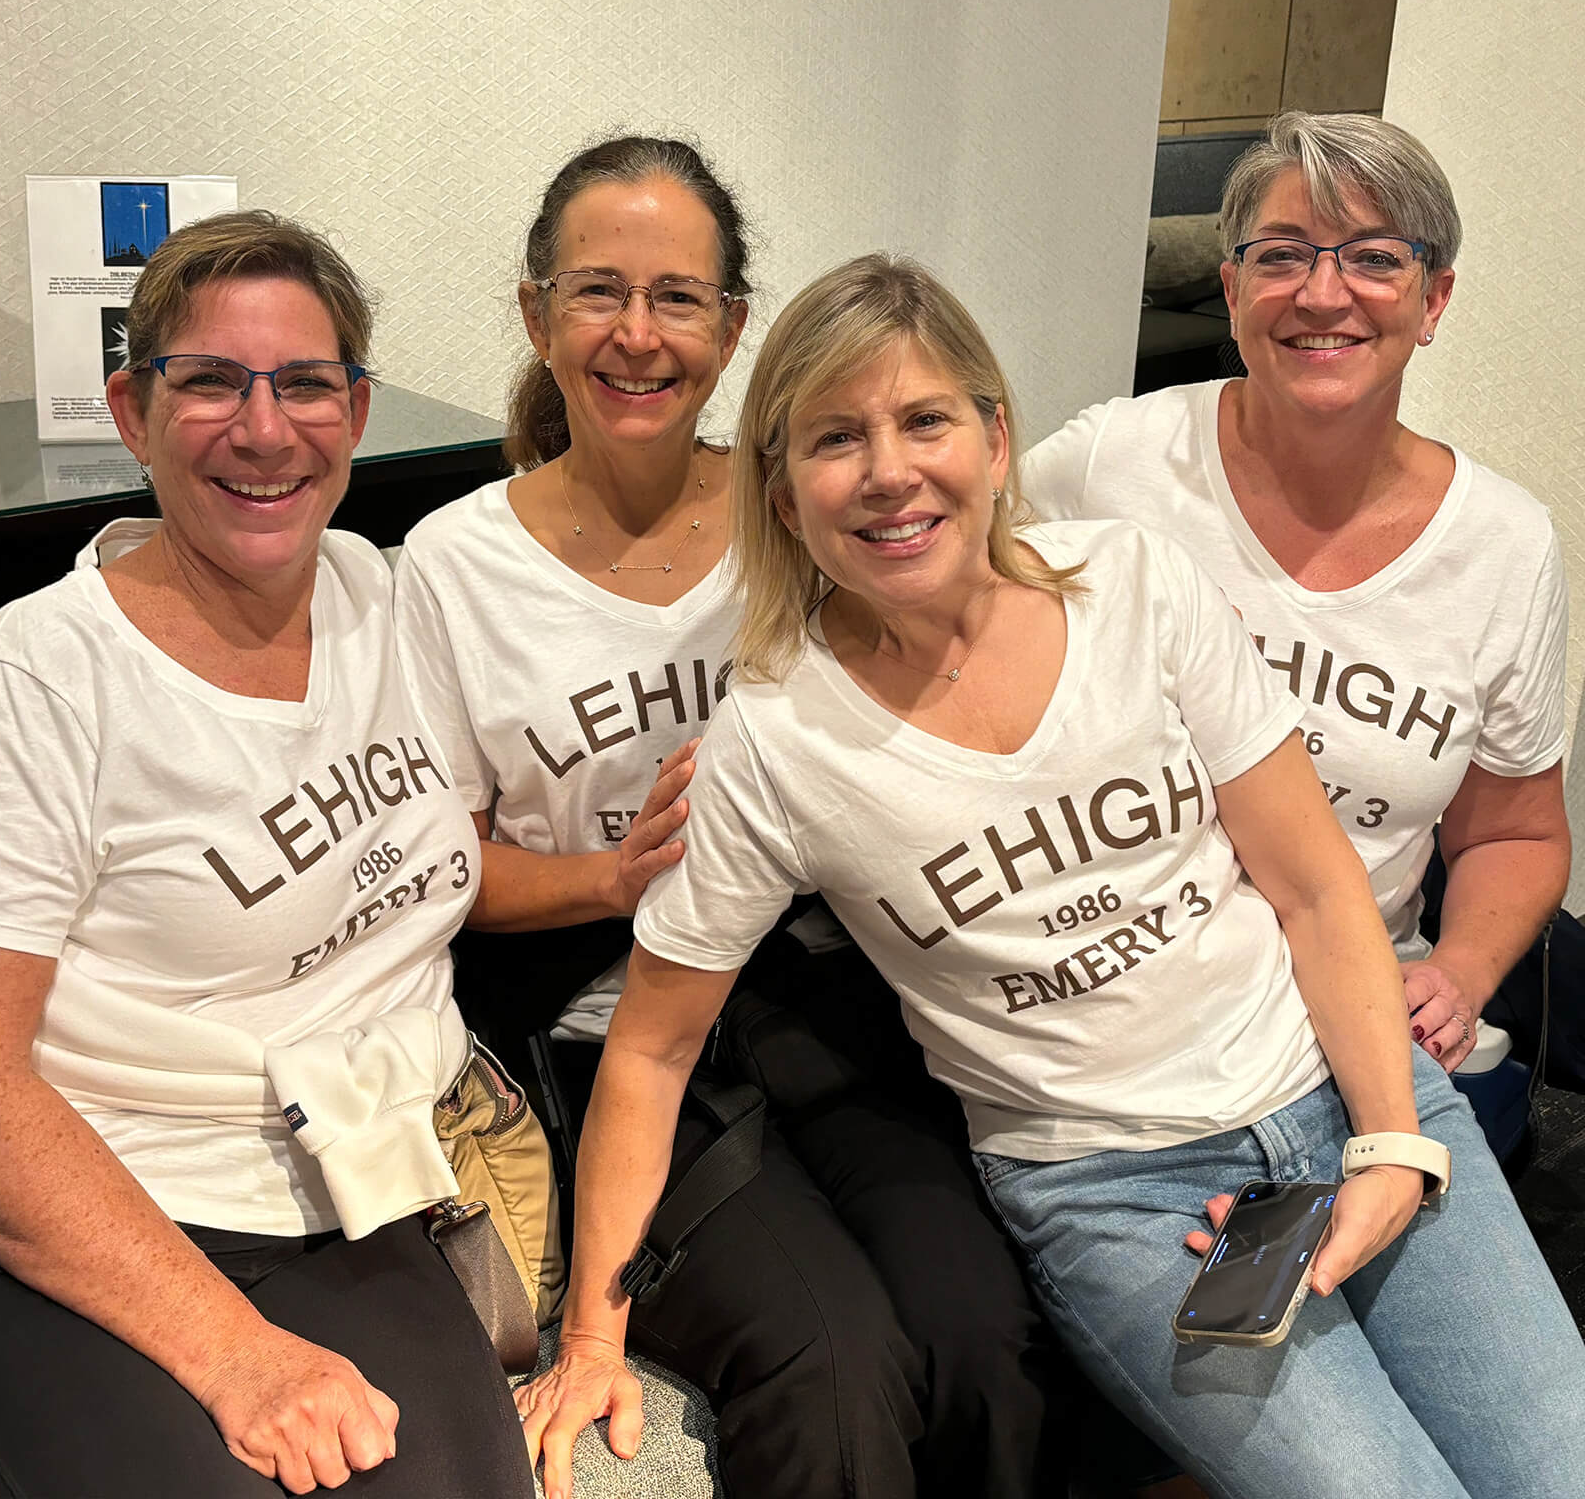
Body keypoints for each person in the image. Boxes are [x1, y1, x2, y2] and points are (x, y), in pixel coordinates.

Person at [515, 252, 1585, 1499]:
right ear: (784, 487)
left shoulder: (1137, 585)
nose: (889, 471)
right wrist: (592, 1333)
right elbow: (649, 1049)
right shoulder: (776, 736)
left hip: (1343, 1087)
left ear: (996, 435)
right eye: (834, 438)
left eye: (925, 420)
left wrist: (1393, 1139)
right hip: (1118, 1193)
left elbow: (1313, 885)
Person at [394, 138, 1067, 1499]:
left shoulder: (806, 509)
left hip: (840, 1002)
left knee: (984, 1330)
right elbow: (434, 871)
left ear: (734, 331)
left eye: (679, 297)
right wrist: (608, 878)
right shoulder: (452, 564)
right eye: (597, 292)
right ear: (537, 315)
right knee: (831, 1363)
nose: (636, 335)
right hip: (615, 1031)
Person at [0, 211, 532, 1498]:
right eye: (213, 381)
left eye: (303, 383)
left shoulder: (377, 597)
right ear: (132, 407)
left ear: (356, 404)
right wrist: (234, 1354)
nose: (265, 427)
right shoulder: (42, 673)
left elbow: (450, 860)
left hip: (347, 1182)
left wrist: (625, 879)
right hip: (105, 1191)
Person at [1022, 110, 1570, 1075]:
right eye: (1281, 256)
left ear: (1434, 300)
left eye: (1373, 256)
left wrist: (1460, 973)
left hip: (1352, 1015)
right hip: (1115, 1016)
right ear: (1232, 292)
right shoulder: (1112, 465)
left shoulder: (1506, 548)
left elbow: (1516, 831)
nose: (1324, 294)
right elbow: (920, 582)